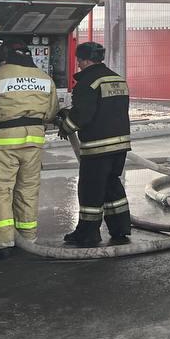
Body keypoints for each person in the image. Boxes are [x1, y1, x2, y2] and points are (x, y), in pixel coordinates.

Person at [0, 39, 58, 258]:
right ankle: (28, 238)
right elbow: (51, 113)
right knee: (28, 189)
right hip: (34, 139)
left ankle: (2, 243)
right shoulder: (45, 78)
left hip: (5, 140)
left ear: (3, 57)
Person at [57, 41, 134, 247]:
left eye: (79, 61)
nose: (79, 65)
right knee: (112, 186)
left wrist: (66, 126)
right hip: (120, 145)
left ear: (84, 59)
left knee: (91, 189)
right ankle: (120, 229)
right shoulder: (117, 79)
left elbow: (83, 114)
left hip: (97, 147)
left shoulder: (88, 82)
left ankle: (88, 233)